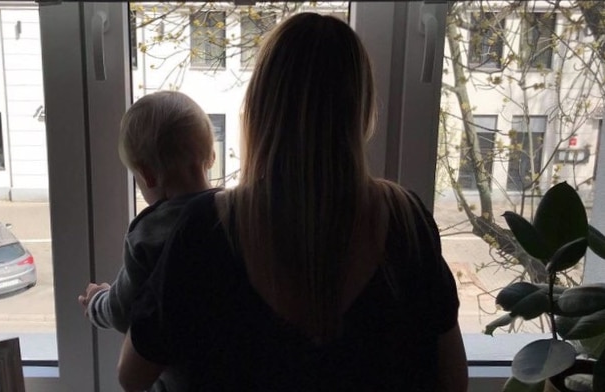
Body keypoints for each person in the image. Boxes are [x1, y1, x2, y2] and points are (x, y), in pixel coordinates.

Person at [119, 13, 468, 392]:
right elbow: (453, 379)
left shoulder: (205, 228)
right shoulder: (407, 220)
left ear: (257, 109)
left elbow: (132, 375)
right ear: (362, 113)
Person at [77, 90, 216, 334]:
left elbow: (122, 311)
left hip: (180, 369)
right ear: (212, 157)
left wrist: (97, 302)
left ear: (148, 175)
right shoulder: (235, 212)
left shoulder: (150, 233)